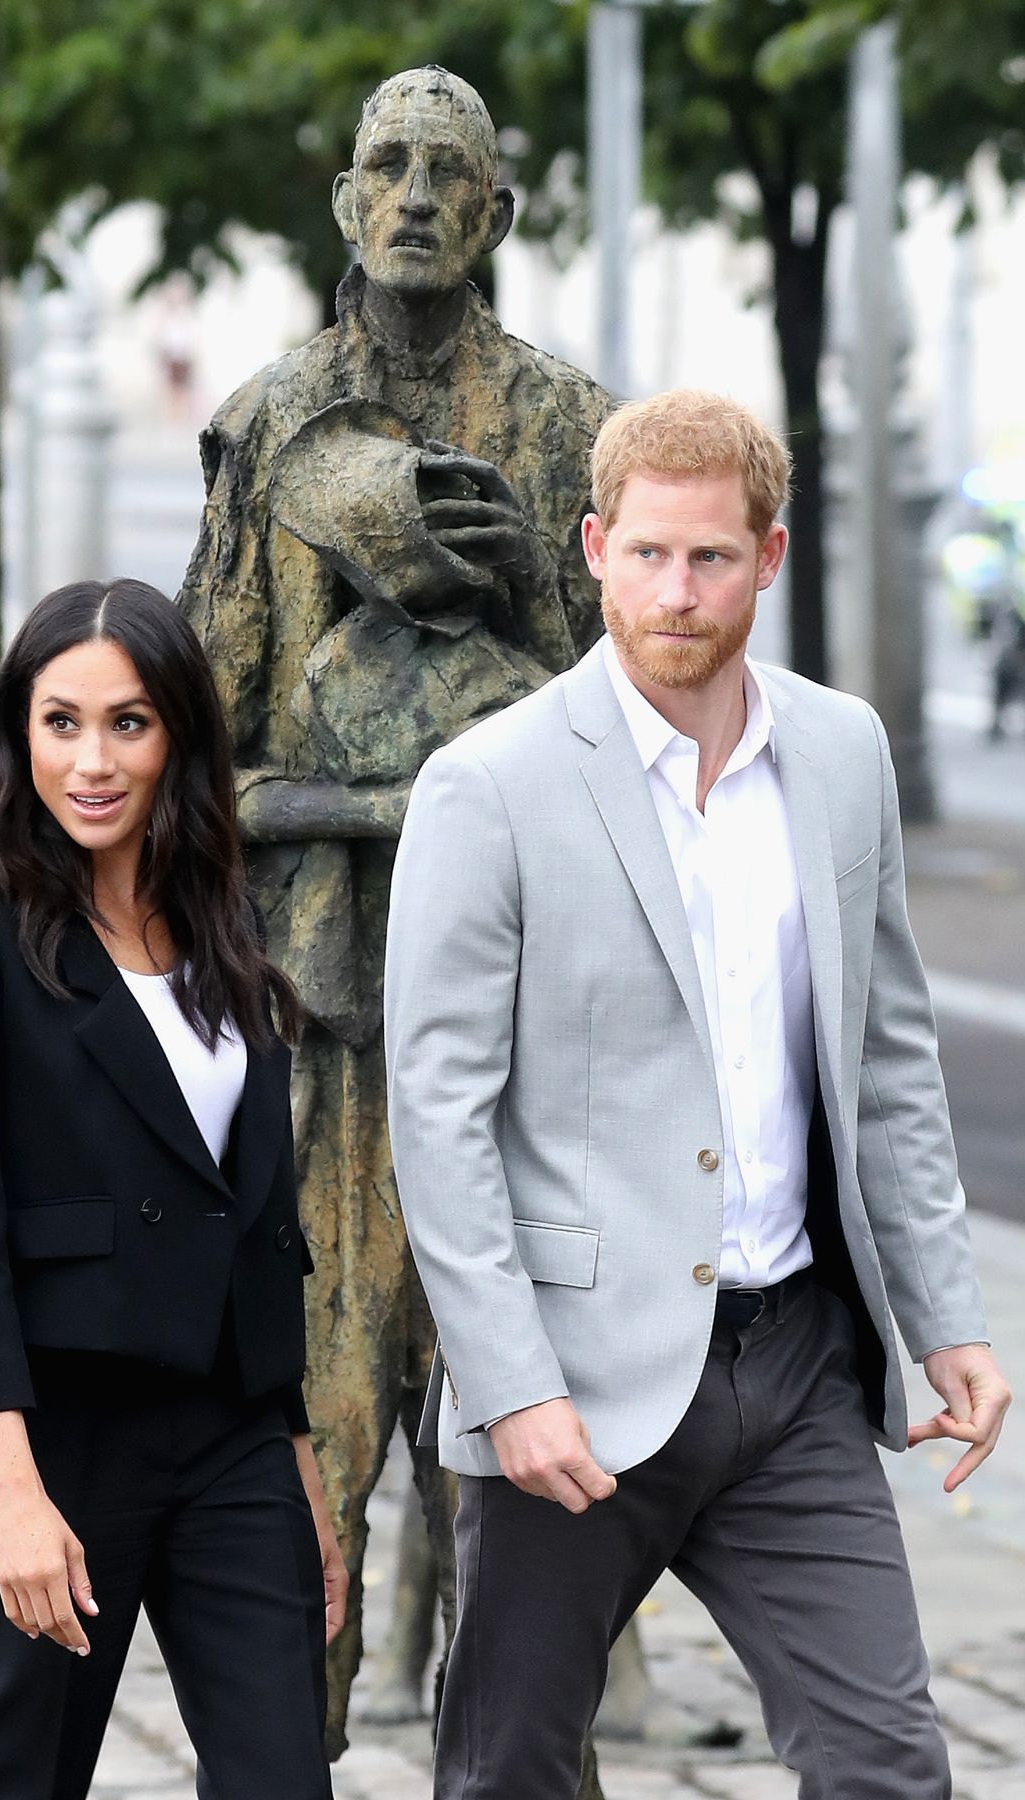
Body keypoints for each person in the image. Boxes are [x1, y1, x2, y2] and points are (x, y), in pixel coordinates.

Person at [384, 390, 1013, 1800]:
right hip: (573, 1382)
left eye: (711, 559)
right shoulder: (489, 786)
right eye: (650, 555)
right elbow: (438, 1116)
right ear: (595, 547)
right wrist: (510, 1384)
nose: (678, 593)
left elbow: (886, 1054)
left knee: (890, 1765)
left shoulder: (841, 757)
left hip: (794, 1364)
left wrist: (945, 1315)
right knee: (511, 1775)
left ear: (769, 559)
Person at [179, 63, 612, 1731]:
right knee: (313, 1446)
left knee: (522, 1477)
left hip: (526, 1032)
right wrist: (388, 801)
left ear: (494, 213)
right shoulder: (278, 418)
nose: (417, 193)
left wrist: (521, 587)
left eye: (450, 171)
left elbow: (622, 730)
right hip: (323, 1021)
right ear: (349, 202)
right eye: (387, 165)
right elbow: (200, 747)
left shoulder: (570, 424)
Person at [0, 578, 344, 1800]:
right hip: (50, 1428)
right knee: (21, 1779)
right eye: (62, 722)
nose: (93, 760)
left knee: (286, 1777)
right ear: (18, 731)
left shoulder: (223, 919)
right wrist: (12, 1492)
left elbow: (257, 1210)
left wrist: (292, 1445)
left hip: (229, 1432)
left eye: (129, 723)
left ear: (178, 734)